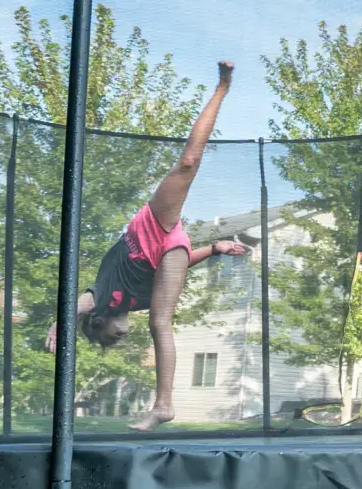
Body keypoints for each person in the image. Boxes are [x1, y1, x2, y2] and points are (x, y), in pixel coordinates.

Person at [49, 60, 248, 430]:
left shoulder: (101, 298)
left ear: (98, 321)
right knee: (161, 321)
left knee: (188, 162)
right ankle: (164, 406)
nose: (120, 338)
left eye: (110, 337)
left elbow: (75, 305)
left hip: (150, 229)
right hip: (170, 250)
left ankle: (221, 89)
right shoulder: (135, 303)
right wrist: (213, 251)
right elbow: (177, 268)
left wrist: (58, 325)